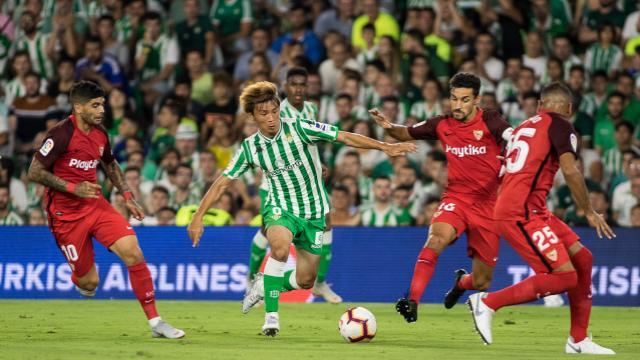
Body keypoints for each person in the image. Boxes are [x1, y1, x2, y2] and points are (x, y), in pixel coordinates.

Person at [187, 81, 416, 337]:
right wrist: (198, 217)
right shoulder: (250, 147)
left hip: (314, 212)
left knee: (305, 280)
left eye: (274, 111)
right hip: (280, 208)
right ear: (251, 116)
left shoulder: (300, 127)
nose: (272, 118)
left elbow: (343, 136)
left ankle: (264, 286)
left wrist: (385, 146)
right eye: (264, 114)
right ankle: (271, 318)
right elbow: (222, 183)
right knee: (280, 248)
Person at [27, 81, 184, 339]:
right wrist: (71, 187)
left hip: (96, 206)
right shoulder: (60, 134)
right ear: (78, 107)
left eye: (102, 104)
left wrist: (127, 196)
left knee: (133, 252)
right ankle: (80, 277)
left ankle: (156, 322)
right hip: (65, 216)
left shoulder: (100, 133)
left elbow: (110, 165)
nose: (102, 110)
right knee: (90, 283)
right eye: (95, 105)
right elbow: (33, 171)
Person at [467, 82, 615, 355]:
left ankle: (578, 340)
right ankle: (488, 303)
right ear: (569, 109)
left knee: (583, 259)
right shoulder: (561, 125)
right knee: (564, 277)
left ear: (539, 105)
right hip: (520, 212)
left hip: (531, 208)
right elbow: (570, 171)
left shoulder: (524, 126)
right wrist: (588, 211)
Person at [369, 72, 512, 322]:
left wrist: (510, 156)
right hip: (456, 198)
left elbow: (514, 137)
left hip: (488, 207)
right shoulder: (441, 124)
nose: (457, 105)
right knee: (435, 240)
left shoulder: (491, 121)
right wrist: (389, 127)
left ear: (477, 99)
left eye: (465, 100)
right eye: (454, 98)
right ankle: (412, 300)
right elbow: (406, 133)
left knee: (481, 281)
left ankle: (461, 283)